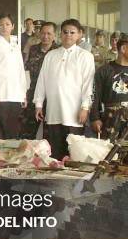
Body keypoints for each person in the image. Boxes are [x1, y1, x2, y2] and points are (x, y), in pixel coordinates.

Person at [33, 19, 95, 160]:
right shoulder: (51, 55)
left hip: (74, 114)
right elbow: (42, 81)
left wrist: (85, 107)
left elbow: (88, 84)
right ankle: (55, 180)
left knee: (74, 154)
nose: (68, 35)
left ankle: (72, 182)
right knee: (54, 153)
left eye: (72, 32)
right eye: (65, 32)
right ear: (60, 34)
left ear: (79, 34)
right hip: (54, 112)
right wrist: (38, 104)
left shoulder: (85, 56)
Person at [90, 34, 128, 150]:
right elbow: (95, 95)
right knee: (108, 153)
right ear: (123, 49)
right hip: (109, 119)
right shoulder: (104, 71)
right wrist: (95, 118)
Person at [0, 13, 27, 139]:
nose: (4, 27)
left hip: (15, 95)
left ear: (13, 26)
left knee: (13, 131)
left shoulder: (15, 45)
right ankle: (0, 158)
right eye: (1, 25)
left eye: (7, 24)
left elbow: (20, 70)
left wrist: (23, 94)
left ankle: (12, 158)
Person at [20, 21, 58, 139]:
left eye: (49, 33)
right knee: (26, 131)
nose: (45, 36)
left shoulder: (59, 51)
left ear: (54, 35)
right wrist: (24, 93)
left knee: (50, 133)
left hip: (52, 96)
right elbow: (25, 70)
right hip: (33, 93)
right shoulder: (33, 49)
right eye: (43, 33)